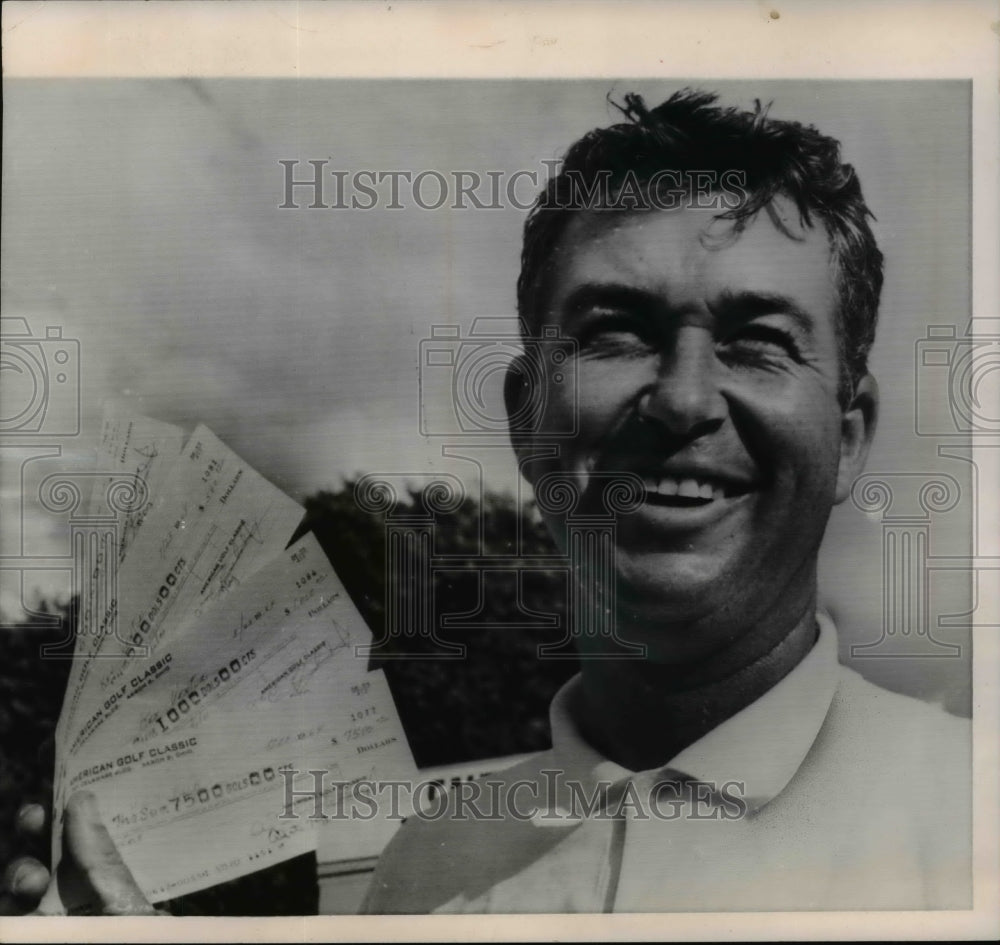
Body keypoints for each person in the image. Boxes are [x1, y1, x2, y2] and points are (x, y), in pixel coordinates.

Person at [3, 88, 970, 916]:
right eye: (616, 332)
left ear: (848, 436)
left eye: (758, 339)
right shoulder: (427, 868)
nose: (682, 398)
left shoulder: (976, 819)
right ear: (526, 417)